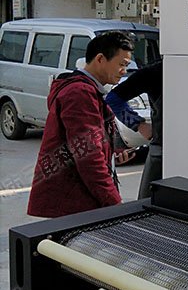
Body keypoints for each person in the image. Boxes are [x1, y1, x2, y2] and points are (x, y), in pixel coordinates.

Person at [28, 32, 136, 217]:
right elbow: (88, 157)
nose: (124, 71)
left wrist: (112, 155)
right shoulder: (80, 93)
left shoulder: (87, 89)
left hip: (76, 200)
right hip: (73, 202)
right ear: (100, 59)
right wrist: (114, 203)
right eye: (121, 64)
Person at [106, 58, 162, 199]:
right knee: (148, 203)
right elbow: (113, 99)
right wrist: (139, 124)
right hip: (161, 153)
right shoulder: (155, 72)